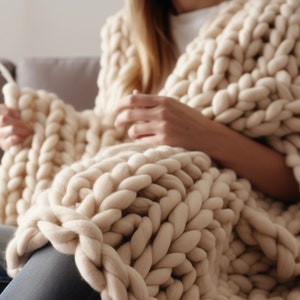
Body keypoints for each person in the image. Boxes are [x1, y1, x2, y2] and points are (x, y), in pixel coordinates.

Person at [0, 0, 300, 299]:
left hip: (226, 220)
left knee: (131, 193)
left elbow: (292, 182)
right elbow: (109, 137)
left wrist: (203, 134)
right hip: (112, 215)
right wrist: (37, 125)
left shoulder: (285, 16)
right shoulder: (123, 31)